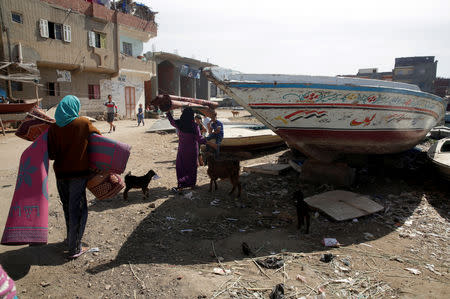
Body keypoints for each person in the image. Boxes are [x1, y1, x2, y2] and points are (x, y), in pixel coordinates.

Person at [48, 95, 100, 259]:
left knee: (67, 207)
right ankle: (74, 248)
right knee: (77, 209)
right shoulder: (83, 123)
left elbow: (51, 154)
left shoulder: (54, 128)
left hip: (61, 174)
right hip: (78, 174)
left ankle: (70, 240)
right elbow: (99, 139)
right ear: (74, 107)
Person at [167, 108, 207, 192]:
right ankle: (192, 184)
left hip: (182, 150)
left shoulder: (179, 124)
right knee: (192, 167)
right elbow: (199, 139)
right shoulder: (195, 126)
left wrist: (168, 112)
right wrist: (208, 141)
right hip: (192, 150)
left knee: (181, 167)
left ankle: (181, 185)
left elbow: (171, 121)